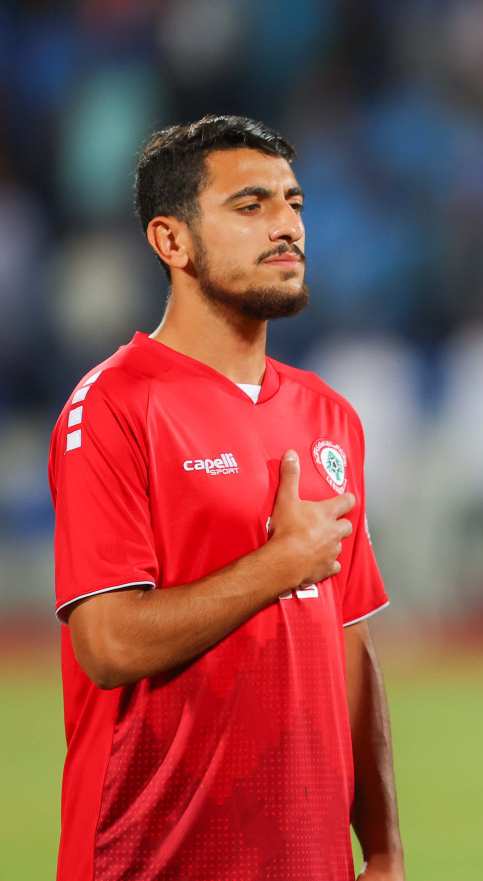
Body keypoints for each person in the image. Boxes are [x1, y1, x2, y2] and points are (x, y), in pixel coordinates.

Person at [48, 116, 404, 881]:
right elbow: (107, 646)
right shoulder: (113, 405)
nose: (287, 226)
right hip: (153, 859)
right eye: (250, 206)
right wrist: (281, 565)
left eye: (294, 202)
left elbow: (349, 646)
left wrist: (381, 850)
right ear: (171, 243)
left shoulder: (328, 414)